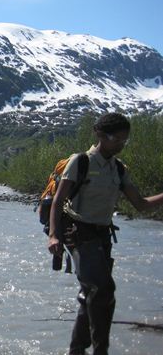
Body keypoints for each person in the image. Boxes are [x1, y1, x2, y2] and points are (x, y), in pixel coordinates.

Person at [48, 112, 163, 355]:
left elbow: (140, 204)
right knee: (104, 290)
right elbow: (58, 202)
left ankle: (76, 350)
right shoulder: (81, 162)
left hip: (102, 237)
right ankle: (101, 350)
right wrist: (54, 236)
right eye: (115, 138)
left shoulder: (119, 169)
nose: (120, 144)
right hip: (78, 234)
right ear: (100, 135)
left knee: (90, 292)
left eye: (124, 140)